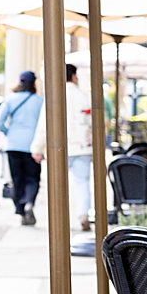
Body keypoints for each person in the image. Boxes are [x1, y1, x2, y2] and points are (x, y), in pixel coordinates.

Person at [32, 64, 94, 232]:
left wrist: (37, 147)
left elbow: (44, 125)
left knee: (57, 184)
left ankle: (59, 218)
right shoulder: (85, 97)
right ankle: (83, 215)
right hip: (83, 147)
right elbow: (94, 123)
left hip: (59, 147)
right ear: (74, 76)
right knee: (82, 182)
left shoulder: (54, 97)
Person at [0, 71, 43, 226]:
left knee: (17, 178)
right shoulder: (40, 101)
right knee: (33, 178)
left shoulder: (10, 99)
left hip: (13, 145)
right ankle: (29, 203)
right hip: (33, 145)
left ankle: (21, 211)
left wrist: (9, 132)